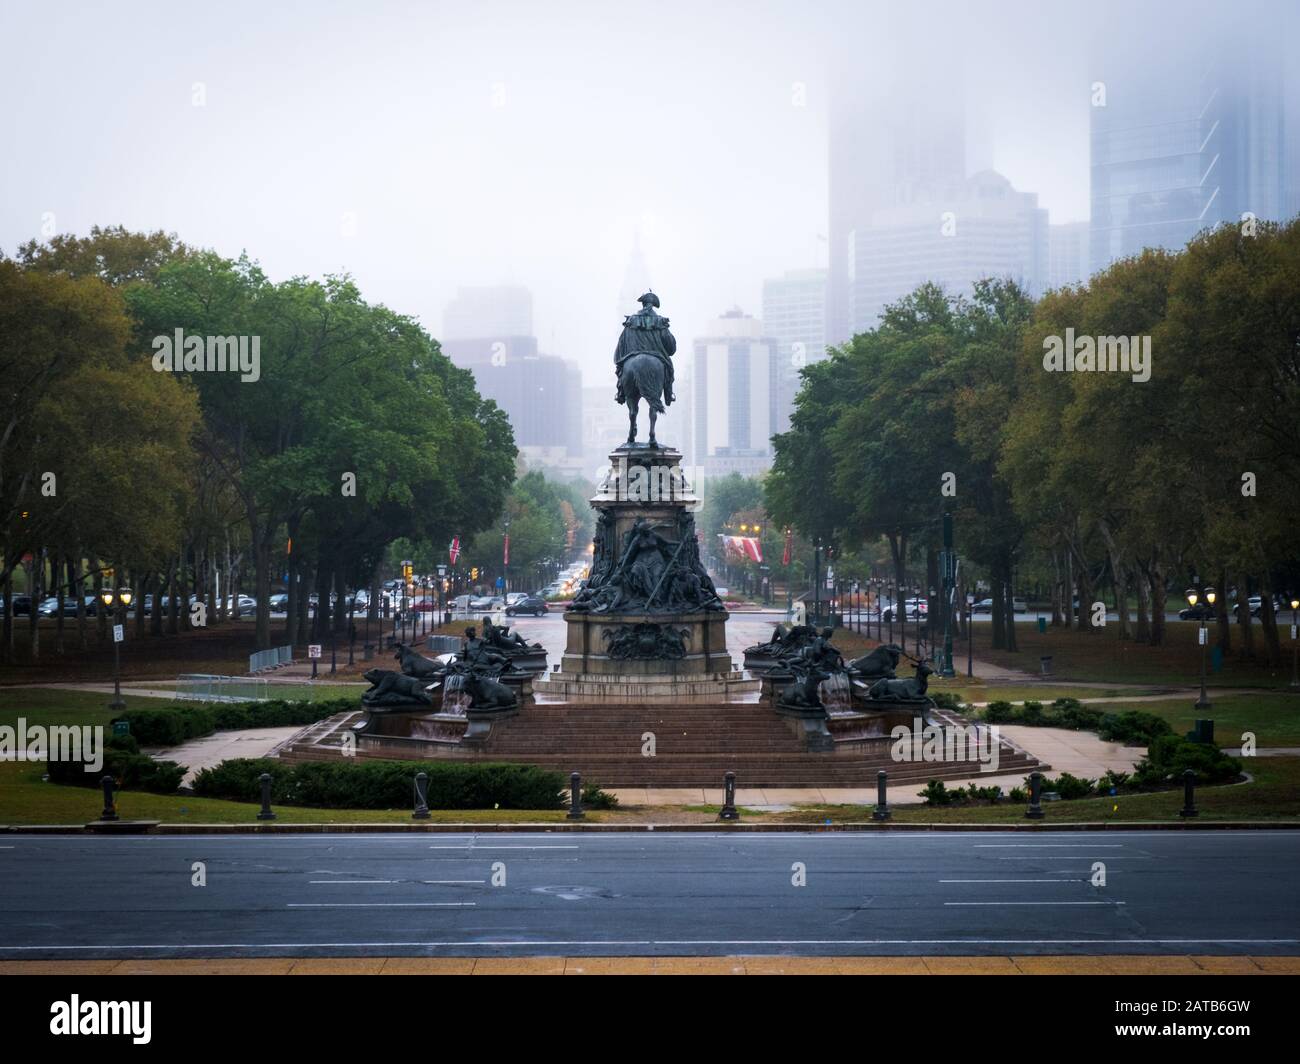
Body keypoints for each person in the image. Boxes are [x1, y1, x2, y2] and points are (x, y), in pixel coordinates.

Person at [614, 291, 676, 405]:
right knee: (669, 370)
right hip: (657, 356)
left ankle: (621, 393)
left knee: (623, 370)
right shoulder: (660, 322)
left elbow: (621, 343)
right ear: (653, 305)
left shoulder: (631, 321)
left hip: (632, 356)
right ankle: (669, 394)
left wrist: (620, 361)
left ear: (643, 304)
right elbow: (671, 347)